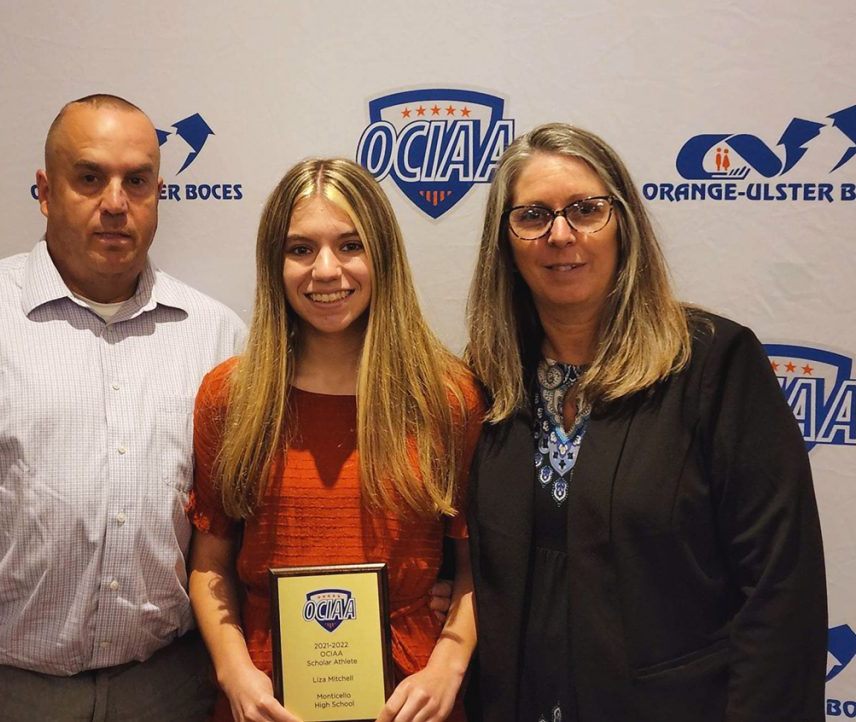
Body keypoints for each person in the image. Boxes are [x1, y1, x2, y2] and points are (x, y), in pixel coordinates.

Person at [0, 94, 245, 722]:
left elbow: (236, 535)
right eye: (89, 177)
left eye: (137, 181)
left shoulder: (217, 337)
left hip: (173, 690)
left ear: (158, 193)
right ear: (44, 190)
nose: (115, 203)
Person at [464, 123, 826, 722]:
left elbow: (780, 591)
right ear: (504, 242)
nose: (561, 234)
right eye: (532, 216)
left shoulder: (714, 364)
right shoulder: (487, 383)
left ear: (624, 222)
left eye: (586, 209)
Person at [188, 158, 484, 722]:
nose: (327, 270)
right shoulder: (231, 396)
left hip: (412, 698)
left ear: (384, 256)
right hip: (266, 698)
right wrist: (234, 673)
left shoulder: (446, 398)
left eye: (351, 245)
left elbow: (477, 564)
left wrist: (449, 663)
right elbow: (209, 562)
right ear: (274, 263)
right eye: (301, 249)